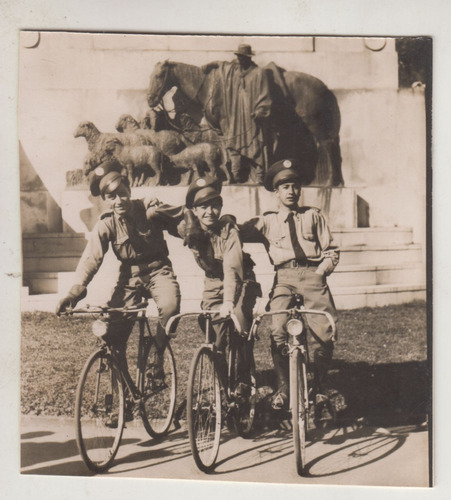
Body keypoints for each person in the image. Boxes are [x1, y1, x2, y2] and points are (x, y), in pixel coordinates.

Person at [56, 159, 181, 411]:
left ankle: (156, 363)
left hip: (158, 270)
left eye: (121, 194)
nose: (118, 201)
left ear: (129, 191)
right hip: (129, 279)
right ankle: (123, 401)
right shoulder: (106, 223)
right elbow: (91, 258)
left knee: (170, 306)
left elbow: (181, 223)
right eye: (111, 197)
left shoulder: (147, 208)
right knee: (113, 339)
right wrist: (73, 292)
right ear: (104, 200)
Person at [239, 158, 340, 423]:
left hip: (312, 275)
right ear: (276, 192)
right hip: (283, 277)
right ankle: (284, 386)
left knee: (324, 334)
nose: (291, 191)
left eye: (295, 186)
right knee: (278, 329)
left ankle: (319, 391)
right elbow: (236, 232)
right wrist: (226, 221)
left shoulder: (313, 215)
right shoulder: (267, 221)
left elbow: (331, 251)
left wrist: (320, 272)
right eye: (285, 187)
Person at [149, 176, 261, 393]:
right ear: (195, 210)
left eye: (214, 206)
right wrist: (184, 213)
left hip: (241, 281)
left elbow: (232, 268)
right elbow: (154, 214)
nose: (210, 212)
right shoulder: (188, 227)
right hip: (212, 284)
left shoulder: (229, 230)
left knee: (240, 325)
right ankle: (223, 388)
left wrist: (228, 301)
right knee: (213, 338)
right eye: (203, 207)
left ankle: (244, 380)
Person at [203, 44, 272, 184]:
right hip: (235, 117)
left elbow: (265, 95)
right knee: (233, 144)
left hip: (251, 118)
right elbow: (222, 65)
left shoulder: (259, 73)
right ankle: (235, 175)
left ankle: (259, 175)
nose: (239, 60)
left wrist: (260, 111)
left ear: (248, 58)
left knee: (256, 145)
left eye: (242, 57)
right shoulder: (234, 72)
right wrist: (209, 64)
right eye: (238, 57)